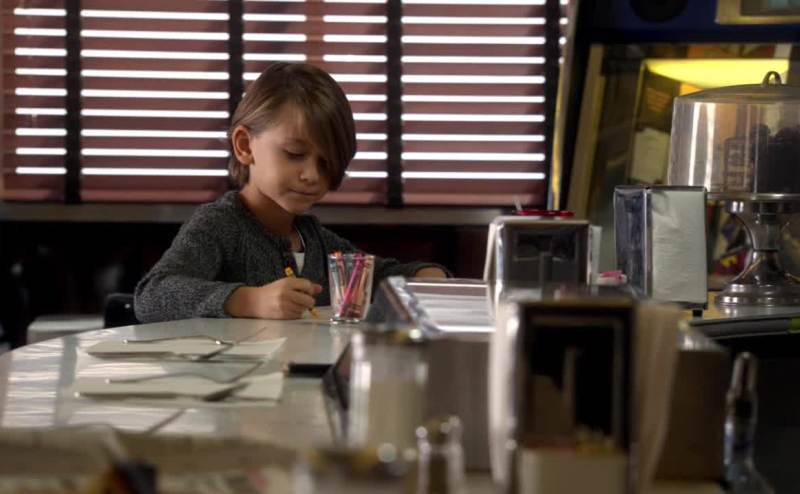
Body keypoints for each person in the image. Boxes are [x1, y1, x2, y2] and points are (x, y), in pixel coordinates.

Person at [134, 62, 448, 323]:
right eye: (294, 154)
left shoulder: (314, 239)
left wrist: (425, 274)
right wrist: (248, 300)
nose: (312, 175)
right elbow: (152, 295)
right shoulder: (218, 226)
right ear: (245, 146)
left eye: (326, 163)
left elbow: (373, 274)